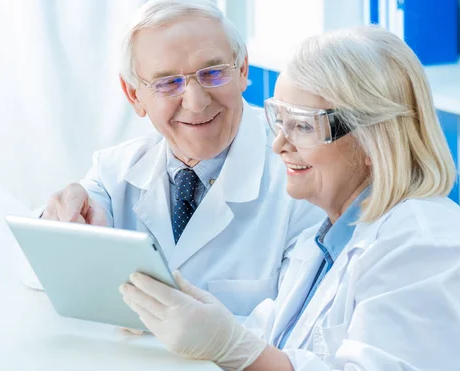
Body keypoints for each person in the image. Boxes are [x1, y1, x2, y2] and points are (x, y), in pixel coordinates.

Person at [120, 26, 460, 371]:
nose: (279, 145)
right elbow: (280, 343)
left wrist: (228, 346)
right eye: (279, 119)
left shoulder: (426, 247)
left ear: (372, 137)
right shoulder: (325, 239)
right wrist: (191, 322)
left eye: (303, 127)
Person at [41, 0, 324, 317]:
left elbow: (302, 335)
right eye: (167, 83)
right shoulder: (112, 174)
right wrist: (60, 224)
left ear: (242, 70)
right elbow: (42, 277)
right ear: (134, 95)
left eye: (213, 73)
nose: (196, 102)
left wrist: (218, 339)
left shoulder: (305, 178)